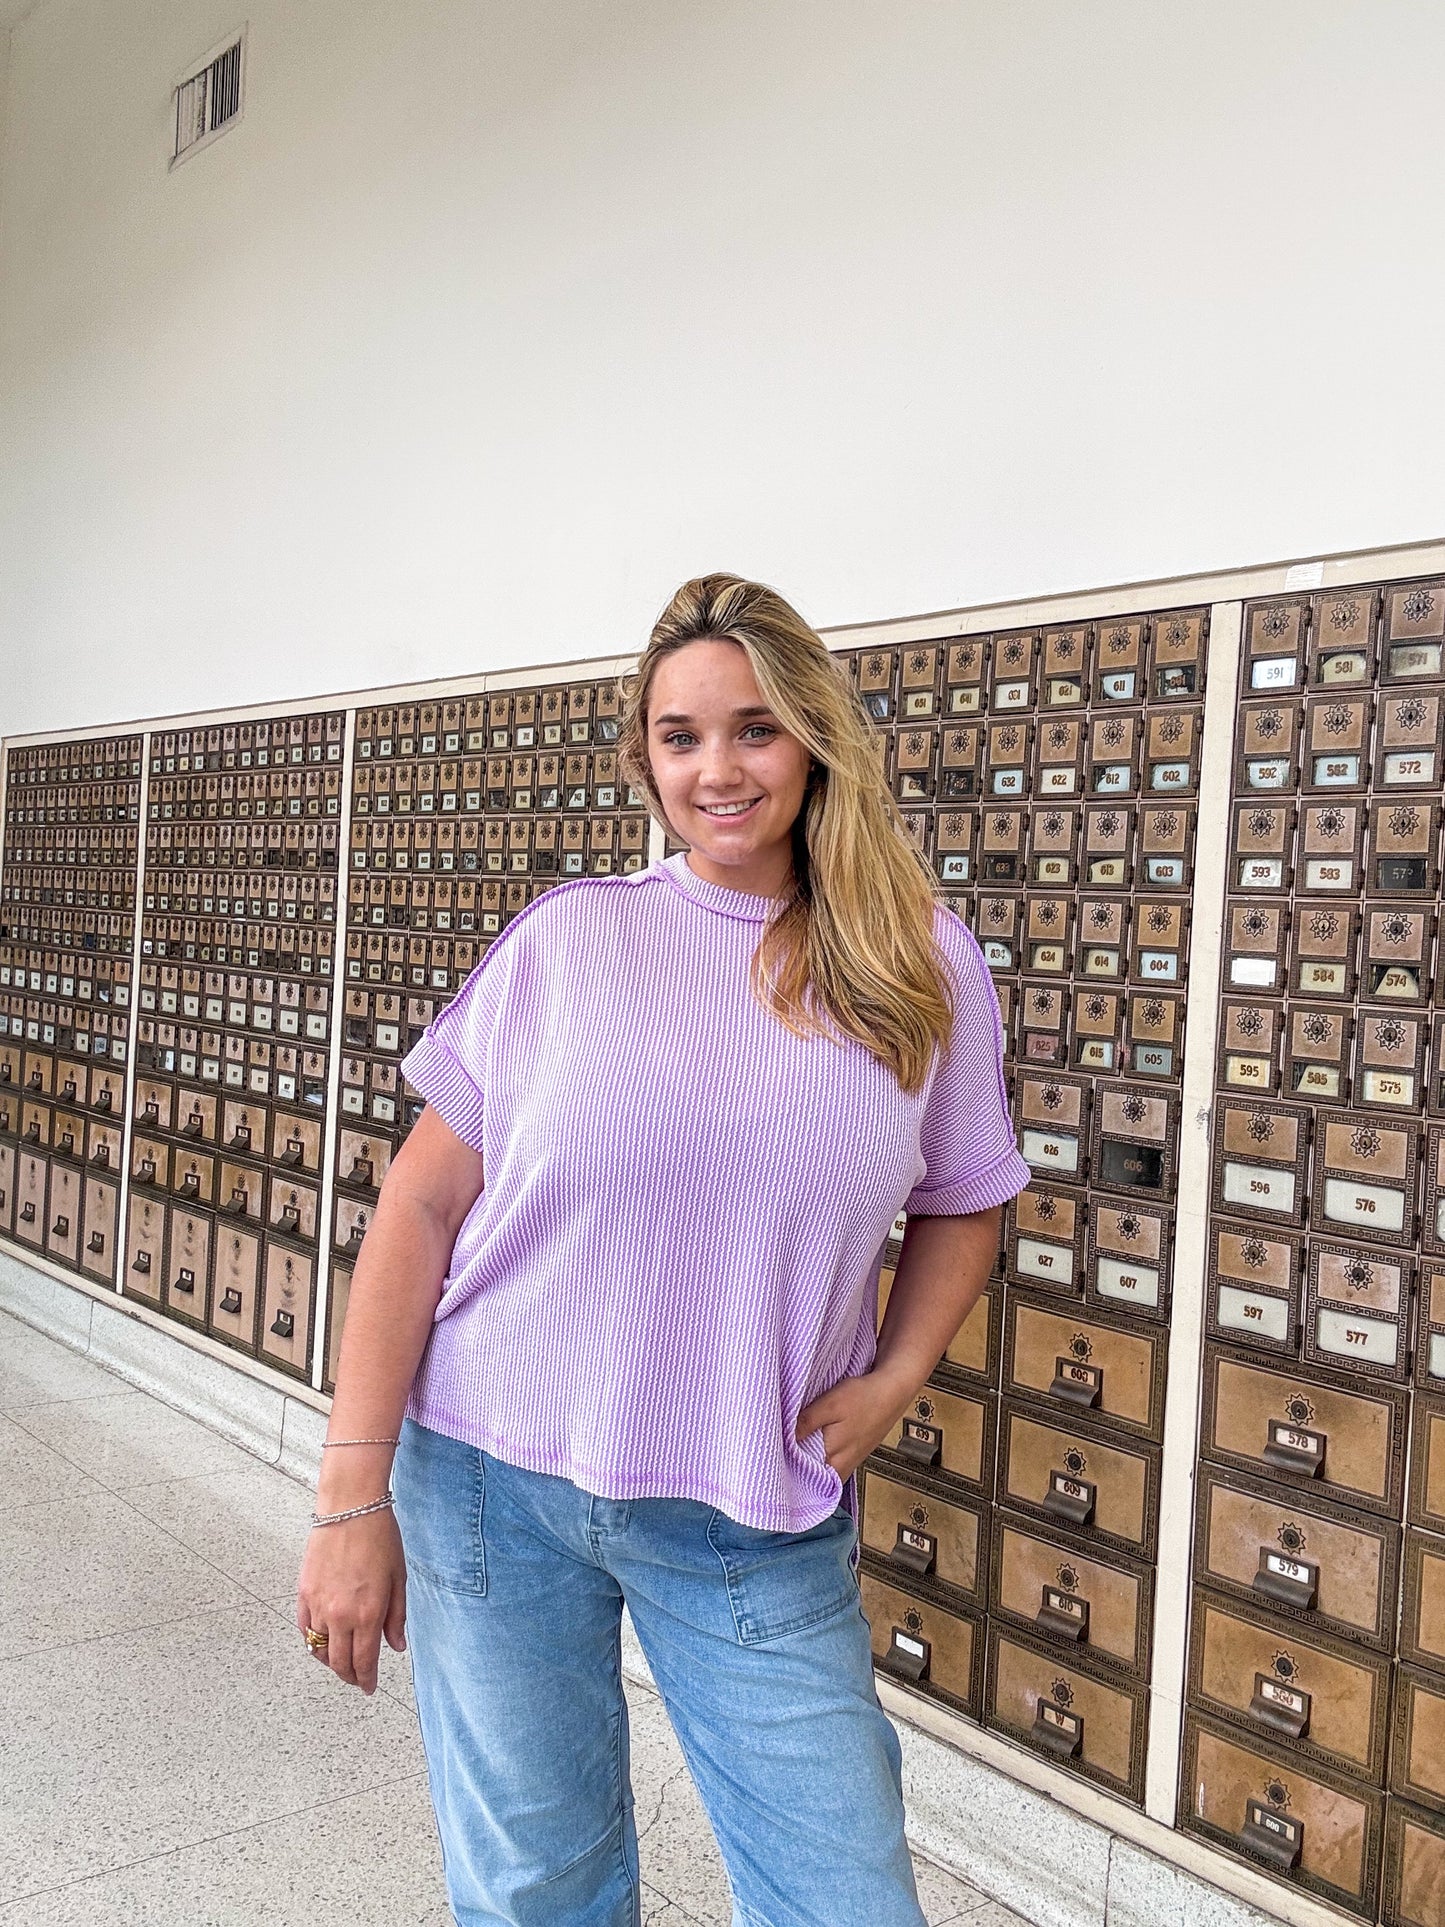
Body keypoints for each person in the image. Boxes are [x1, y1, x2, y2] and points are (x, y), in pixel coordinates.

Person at [296, 573, 1030, 1927]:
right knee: (536, 1891)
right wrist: (350, 1497)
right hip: (483, 1482)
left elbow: (963, 1195)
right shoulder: (569, 941)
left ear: (814, 740)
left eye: (752, 729)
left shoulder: (920, 965)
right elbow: (417, 1209)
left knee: (842, 1899)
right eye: (679, 737)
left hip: (749, 1507)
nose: (717, 770)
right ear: (643, 757)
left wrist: (901, 1371)